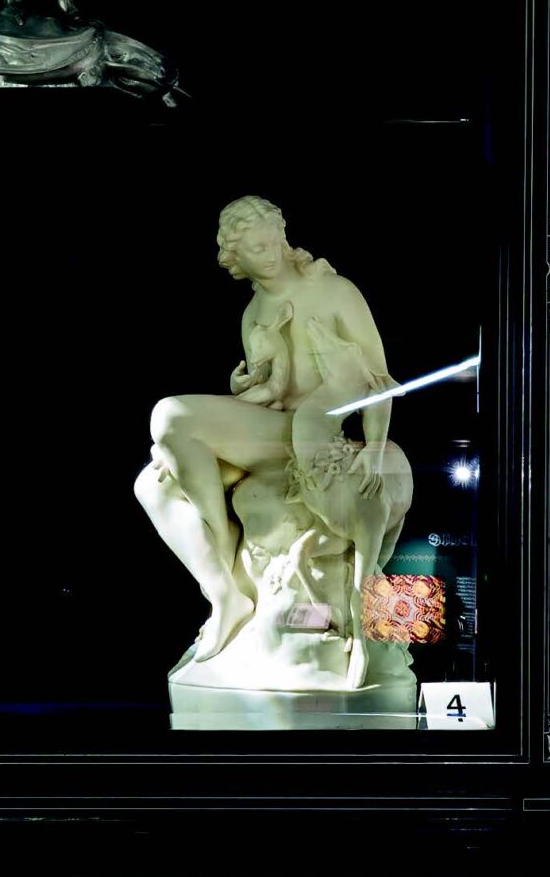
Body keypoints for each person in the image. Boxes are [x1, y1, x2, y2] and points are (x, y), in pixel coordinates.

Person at [134, 194, 410, 686]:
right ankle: (224, 593)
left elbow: (377, 379)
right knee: (150, 484)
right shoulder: (253, 312)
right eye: (252, 249)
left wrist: (372, 447)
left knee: (168, 415)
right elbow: (274, 397)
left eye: (271, 241)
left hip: (314, 434)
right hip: (275, 432)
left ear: (283, 238)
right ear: (234, 263)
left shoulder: (335, 291)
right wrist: (245, 394)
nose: (267, 254)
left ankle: (221, 540)